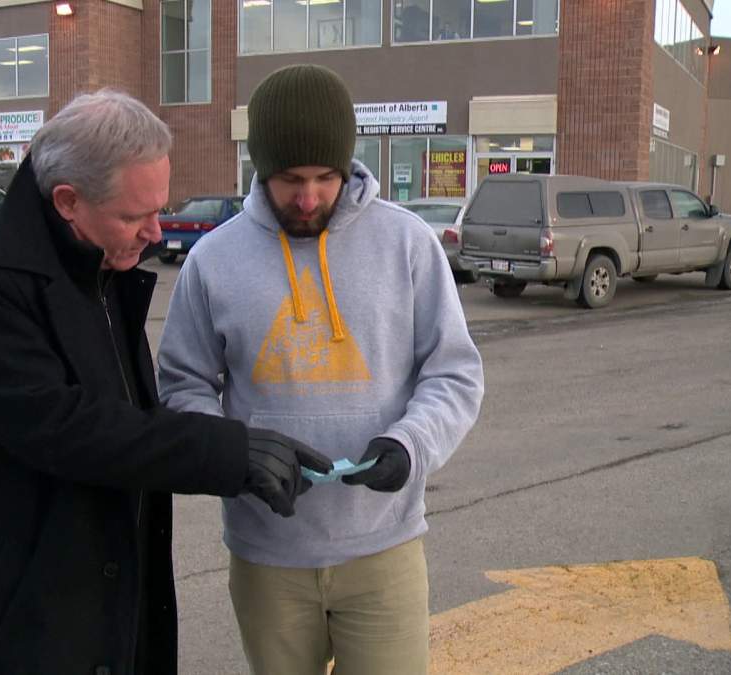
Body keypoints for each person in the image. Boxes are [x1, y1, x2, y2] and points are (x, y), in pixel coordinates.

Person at [0, 89, 331, 674]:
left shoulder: (100, 263)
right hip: (19, 616)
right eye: (135, 217)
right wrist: (228, 452)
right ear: (67, 201)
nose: (155, 234)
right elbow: (62, 426)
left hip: (111, 597)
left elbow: (131, 415)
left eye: (158, 210)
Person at [157, 64, 485, 674]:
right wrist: (237, 451)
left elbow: (454, 372)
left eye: (325, 177)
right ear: (260, 168)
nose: (308, 198)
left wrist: (412, 445)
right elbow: (182, 385)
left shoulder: (407, 244)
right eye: (289, 180)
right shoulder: (213, 260)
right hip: (268, 557)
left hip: (383, 549)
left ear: (346, 165)